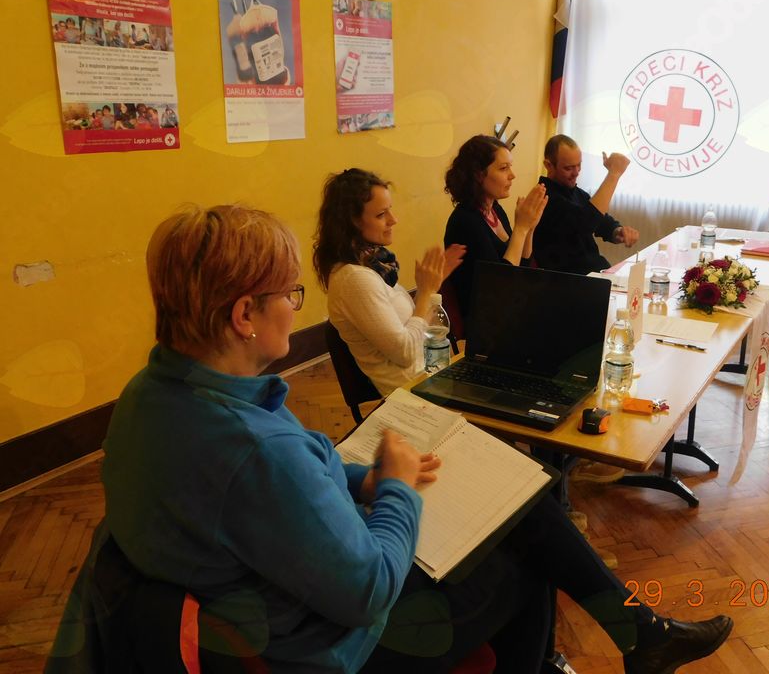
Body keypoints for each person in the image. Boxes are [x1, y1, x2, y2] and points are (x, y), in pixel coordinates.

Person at [99, 202, 732, 672]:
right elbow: (369, 588)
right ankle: (624, 640)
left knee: (519, 508)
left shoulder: (148, 396)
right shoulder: (254, 450)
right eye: (289, 293)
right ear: (244, 315)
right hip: (324, 647)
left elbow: (281, 487)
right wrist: (397, 490)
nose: (296, 305)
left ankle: (637, 637)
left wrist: (363, 478)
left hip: (249, 606)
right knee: (526, 558)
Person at [313, 168, 465, 396]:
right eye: (381, 214)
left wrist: (431, 288)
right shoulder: (354, 279)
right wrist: (425, 292)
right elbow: (405, 353)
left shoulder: (373, 265)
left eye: (390, 210)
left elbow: (412, 327)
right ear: (352, 222)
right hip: (413, 393)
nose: (393, 220)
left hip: (429, 378)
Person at [442, 134, 548, 324]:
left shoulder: (495, 210)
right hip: (486, 321)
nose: (512, 175)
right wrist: (521, 228)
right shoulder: (466, 221)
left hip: (510, 309)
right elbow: (501, 286)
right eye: (503, 168)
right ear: (478, 174)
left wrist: (529, 228)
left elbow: (523, 268)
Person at [532, 134, 640, 274]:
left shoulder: (578, 193)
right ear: (548, 165)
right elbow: (586, 222)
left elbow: (602, 222)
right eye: (568, 168)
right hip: (569, 279)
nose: (576, 173)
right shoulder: (543, 197)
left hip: (594, 273)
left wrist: (618, 231)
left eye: (579, 165)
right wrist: (613, 175)